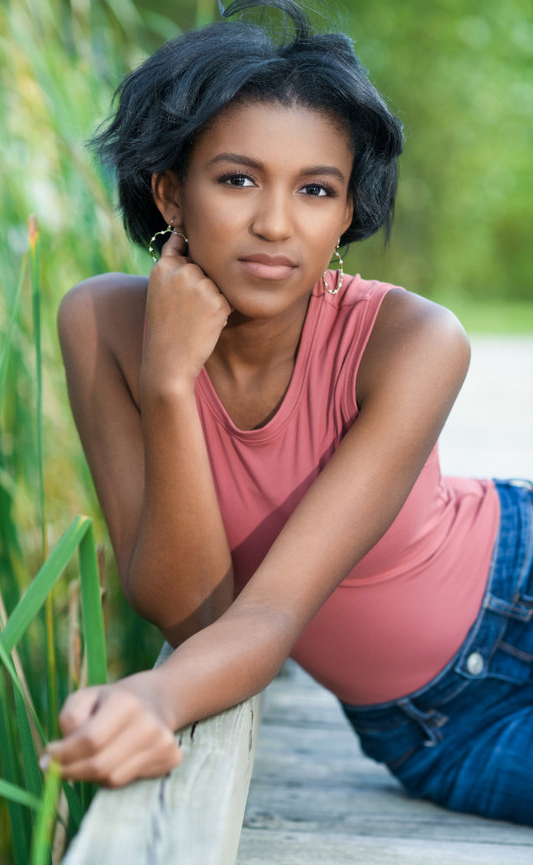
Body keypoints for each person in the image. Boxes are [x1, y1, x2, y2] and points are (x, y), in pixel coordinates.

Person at [46, 0, 533, 826]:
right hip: (442, 729)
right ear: (169, 192)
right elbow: (201, 613)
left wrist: (158, 695)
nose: (274, 224)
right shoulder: (101, 327)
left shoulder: (410, 340)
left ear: (345, 213)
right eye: (236, 179)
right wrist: (169, 383)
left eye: (315, 189)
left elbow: (265, 613)